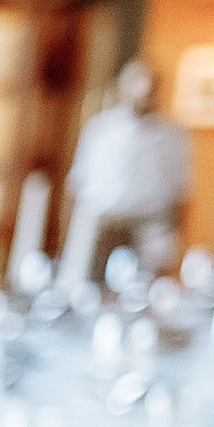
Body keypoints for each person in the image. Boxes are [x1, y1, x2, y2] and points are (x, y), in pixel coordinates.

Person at [67, 59, 192, 280]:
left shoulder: (174, 137)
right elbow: (78, 183)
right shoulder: (100, 129)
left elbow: (181, 193)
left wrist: (176, 243)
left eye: (149, 87)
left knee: (142, 290)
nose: (142, 93)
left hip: (148, 227)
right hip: (104, 223)